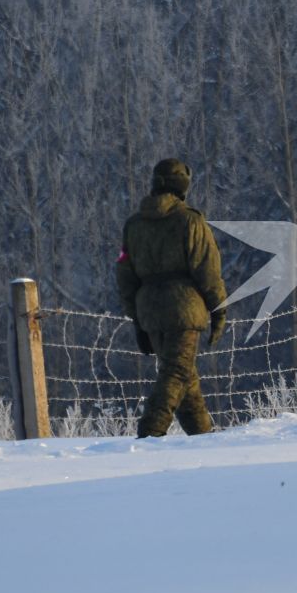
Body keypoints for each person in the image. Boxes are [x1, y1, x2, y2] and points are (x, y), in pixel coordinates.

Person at [116, 158, 228, 437]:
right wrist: (219, 310)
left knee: (184, 378)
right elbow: (208, 270)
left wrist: (137, 319)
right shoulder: (190, 220)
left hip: (150, 311)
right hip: (185, 309)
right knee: (177, 374)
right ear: (183, 185)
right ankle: (148, 434)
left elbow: (125, 275)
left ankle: (204, 440)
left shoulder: (134, 225)